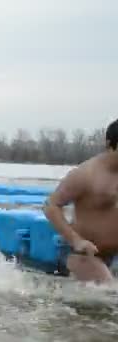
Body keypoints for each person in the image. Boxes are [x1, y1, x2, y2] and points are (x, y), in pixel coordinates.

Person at [43, 119, 118, 283]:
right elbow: (51, 205)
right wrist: (76, 240)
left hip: (112, 257)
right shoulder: (86, 174)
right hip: (84, 255)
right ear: (110, 144)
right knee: (111, 296)